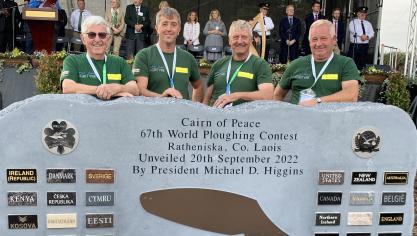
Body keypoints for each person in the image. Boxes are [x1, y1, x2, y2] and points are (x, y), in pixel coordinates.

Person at [274, 20, 359, 106]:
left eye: (323, 38)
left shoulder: (345, 64)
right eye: (314, 39)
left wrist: (318, 101)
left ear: (334, 40)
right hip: (298, 117)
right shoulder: (296, 64)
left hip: (329, 118)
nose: (318, 44)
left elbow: (351, 96)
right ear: (309, 41)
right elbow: (277, 95)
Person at [133, 7, 203, 101]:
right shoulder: (144, 56)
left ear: (179, 29)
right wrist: (162, 98)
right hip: (154, 113)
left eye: (174, 25)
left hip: (181, 115)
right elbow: (140, 90)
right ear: (157, 28)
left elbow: (198, 86)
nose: (169, 29)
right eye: (164, 24)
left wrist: (194, 110)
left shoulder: (188, 58)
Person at [61, 16, 138, 100]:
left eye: (102, 35)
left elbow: (135, 89)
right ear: (83, 39)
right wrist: (104, 90)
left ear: (108, 39)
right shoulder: (72, 61)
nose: (97, 39)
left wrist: (118, 88)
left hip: (113, 112)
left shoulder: (120, 62)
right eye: (91, 35)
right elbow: (67, 87)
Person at [203, 20, 273, 108]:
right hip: (218, 120)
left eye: (244, 37)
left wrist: (236, 96)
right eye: (235, 37)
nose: (239, 41)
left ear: (251, 40)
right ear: (229, 41)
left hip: (245, 120)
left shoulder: (259, 64)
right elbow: (206, 99)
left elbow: (267, 96)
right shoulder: (219, 64)